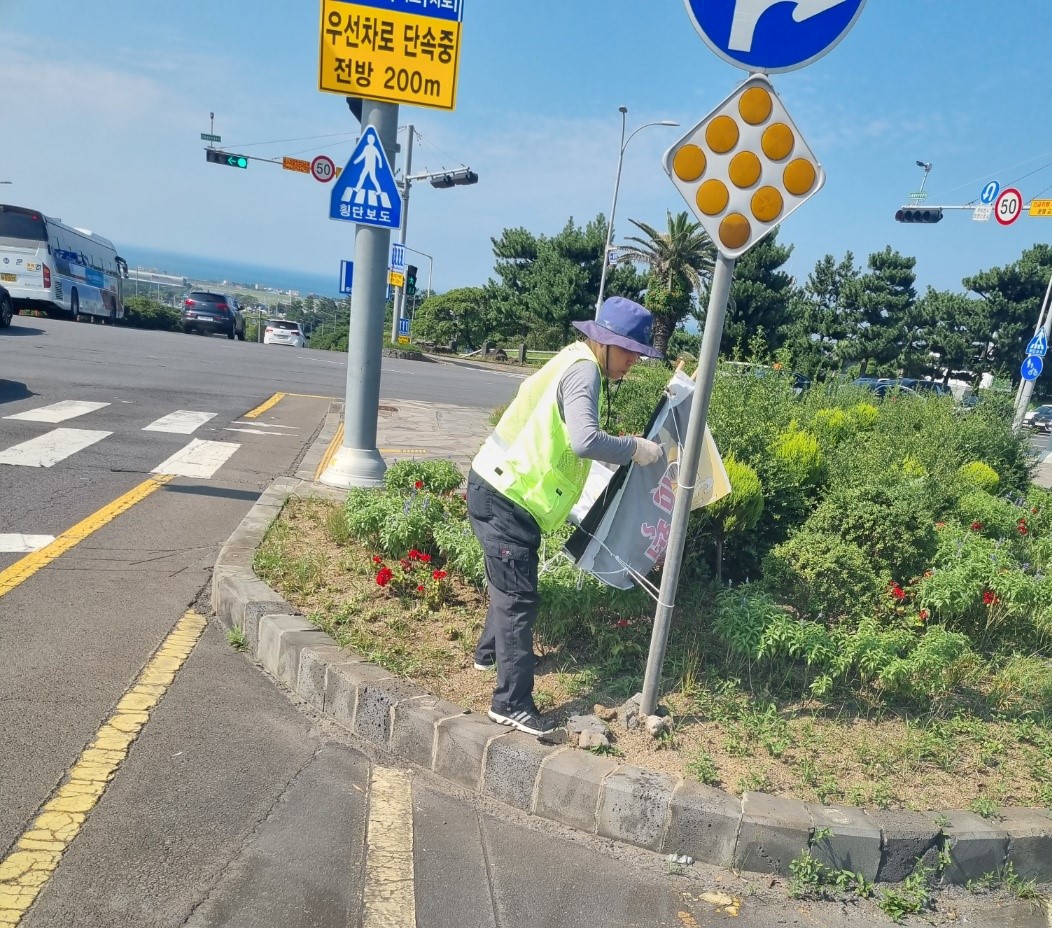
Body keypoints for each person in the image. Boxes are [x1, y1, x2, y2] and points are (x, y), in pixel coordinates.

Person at [467, 296, 665, 735]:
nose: (633, 361)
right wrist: (636, 449)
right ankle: (511, 703)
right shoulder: (584, 371)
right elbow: (584, 440)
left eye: (638, 352)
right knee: (519, 597)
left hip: (502, 488)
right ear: (605, 343)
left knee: (509, 583)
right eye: (630, 350)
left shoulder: (572, 359)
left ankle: (488, 655)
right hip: (508, 494)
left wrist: (618, 449)